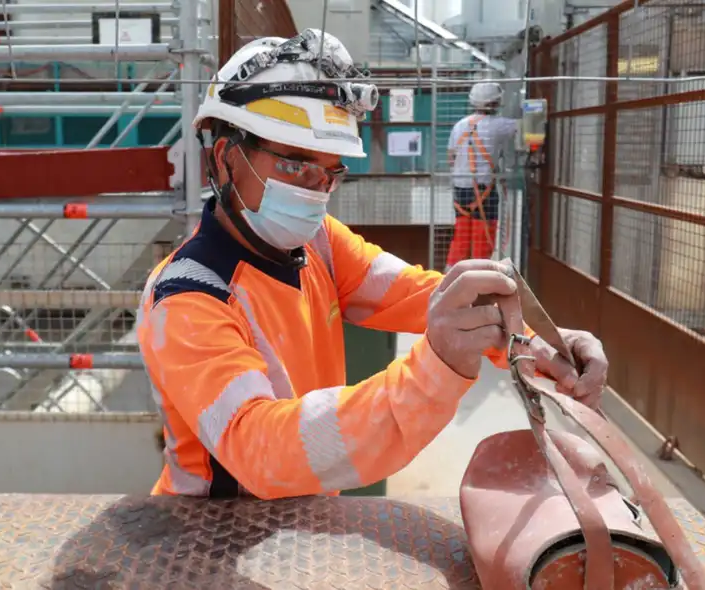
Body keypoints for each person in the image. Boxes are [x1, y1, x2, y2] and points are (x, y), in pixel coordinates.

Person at [136, 29, 608, 501]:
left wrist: (544, 345)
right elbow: (262, 452)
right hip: (211, 542)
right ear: (225, 157)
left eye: (329, 172)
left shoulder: (318, 244)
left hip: (298, 521)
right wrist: (432, 372)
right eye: (296, 164)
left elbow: (416, 294)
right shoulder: (188, 299)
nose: (313, 191)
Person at [445, 82, 519, 269]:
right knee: (482, 238)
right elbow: (526, 126)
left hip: (460, 189)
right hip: (484, 189)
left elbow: (451, 157)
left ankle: (449, 279)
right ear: (495, 103)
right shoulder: (500, 125)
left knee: (461, 237)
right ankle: (480, 277)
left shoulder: (459, 125)